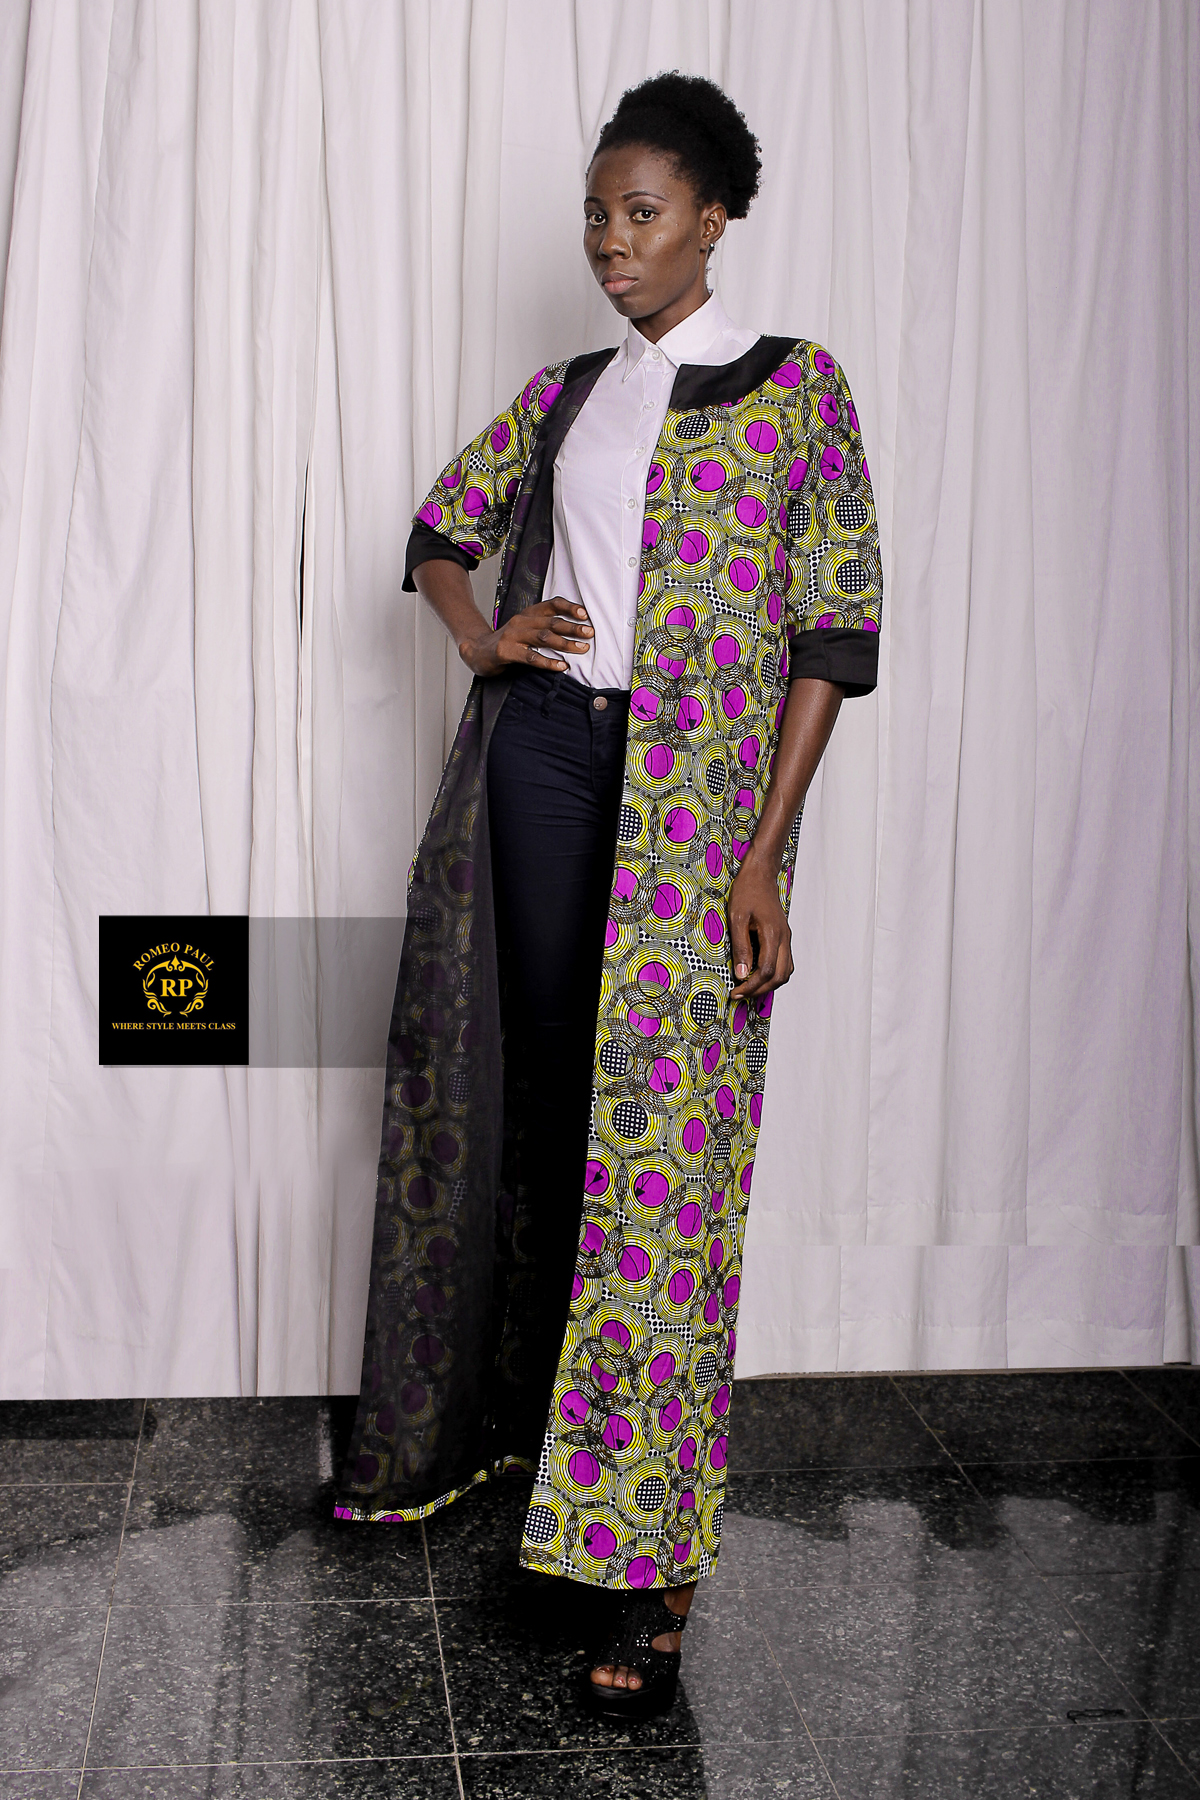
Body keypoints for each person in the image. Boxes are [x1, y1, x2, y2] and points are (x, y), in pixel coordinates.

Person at [336, 70, 882, 1719]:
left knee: (669, 1172)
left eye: (641, 213)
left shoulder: (797, 389)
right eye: (595, 215)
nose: (610, 242)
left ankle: (651, 1570)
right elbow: (439, 531)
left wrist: (765, 852)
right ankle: (555, 1516)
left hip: (698, 809)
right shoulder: (567, 394)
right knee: (561, 1133)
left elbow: (834, 634)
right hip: (547, 769)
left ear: (715, 217)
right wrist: (482, 637)